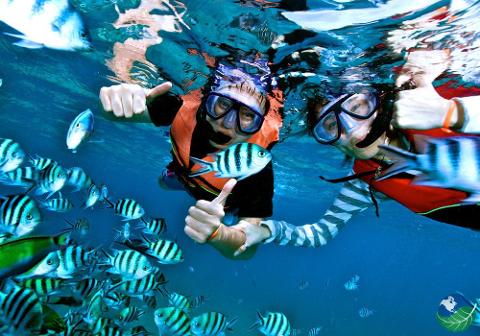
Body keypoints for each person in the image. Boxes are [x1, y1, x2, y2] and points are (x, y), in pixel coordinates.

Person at [231, 50, 480, 254]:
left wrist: (452, 113)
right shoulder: (368, 182)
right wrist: (264, 231)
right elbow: (321, 232)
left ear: (379, 104)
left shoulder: (439, 101)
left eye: (357, 106)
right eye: (330, 126)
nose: (350, 129)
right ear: (330, 141)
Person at [99, 59, 283, 259]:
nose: (229, 123)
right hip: (181, 174)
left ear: (260, 123)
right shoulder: (179, 107)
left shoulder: (256, 169)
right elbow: (112, 114)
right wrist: (117, 102)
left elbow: (246, 249)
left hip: (223, 204)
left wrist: (219, 234)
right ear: (206, 101)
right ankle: (175, 177)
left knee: (227, 218)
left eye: (248, 115)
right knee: (163, 182)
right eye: (222, 103)